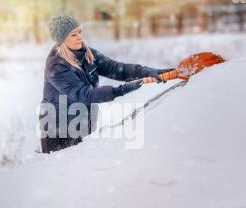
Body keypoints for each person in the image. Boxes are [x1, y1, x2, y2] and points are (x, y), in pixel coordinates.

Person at [39, 15, 173, 153]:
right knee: (64, 171)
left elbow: (116, 69)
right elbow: (83, 94)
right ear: (62, 40)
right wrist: (121, 90)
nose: (80, 37)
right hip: (57, 129)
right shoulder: (56, 65)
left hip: (83, 122)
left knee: (82, 169)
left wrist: (146, 71)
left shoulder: (86, 54)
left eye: (80, 32)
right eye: (74, 34)